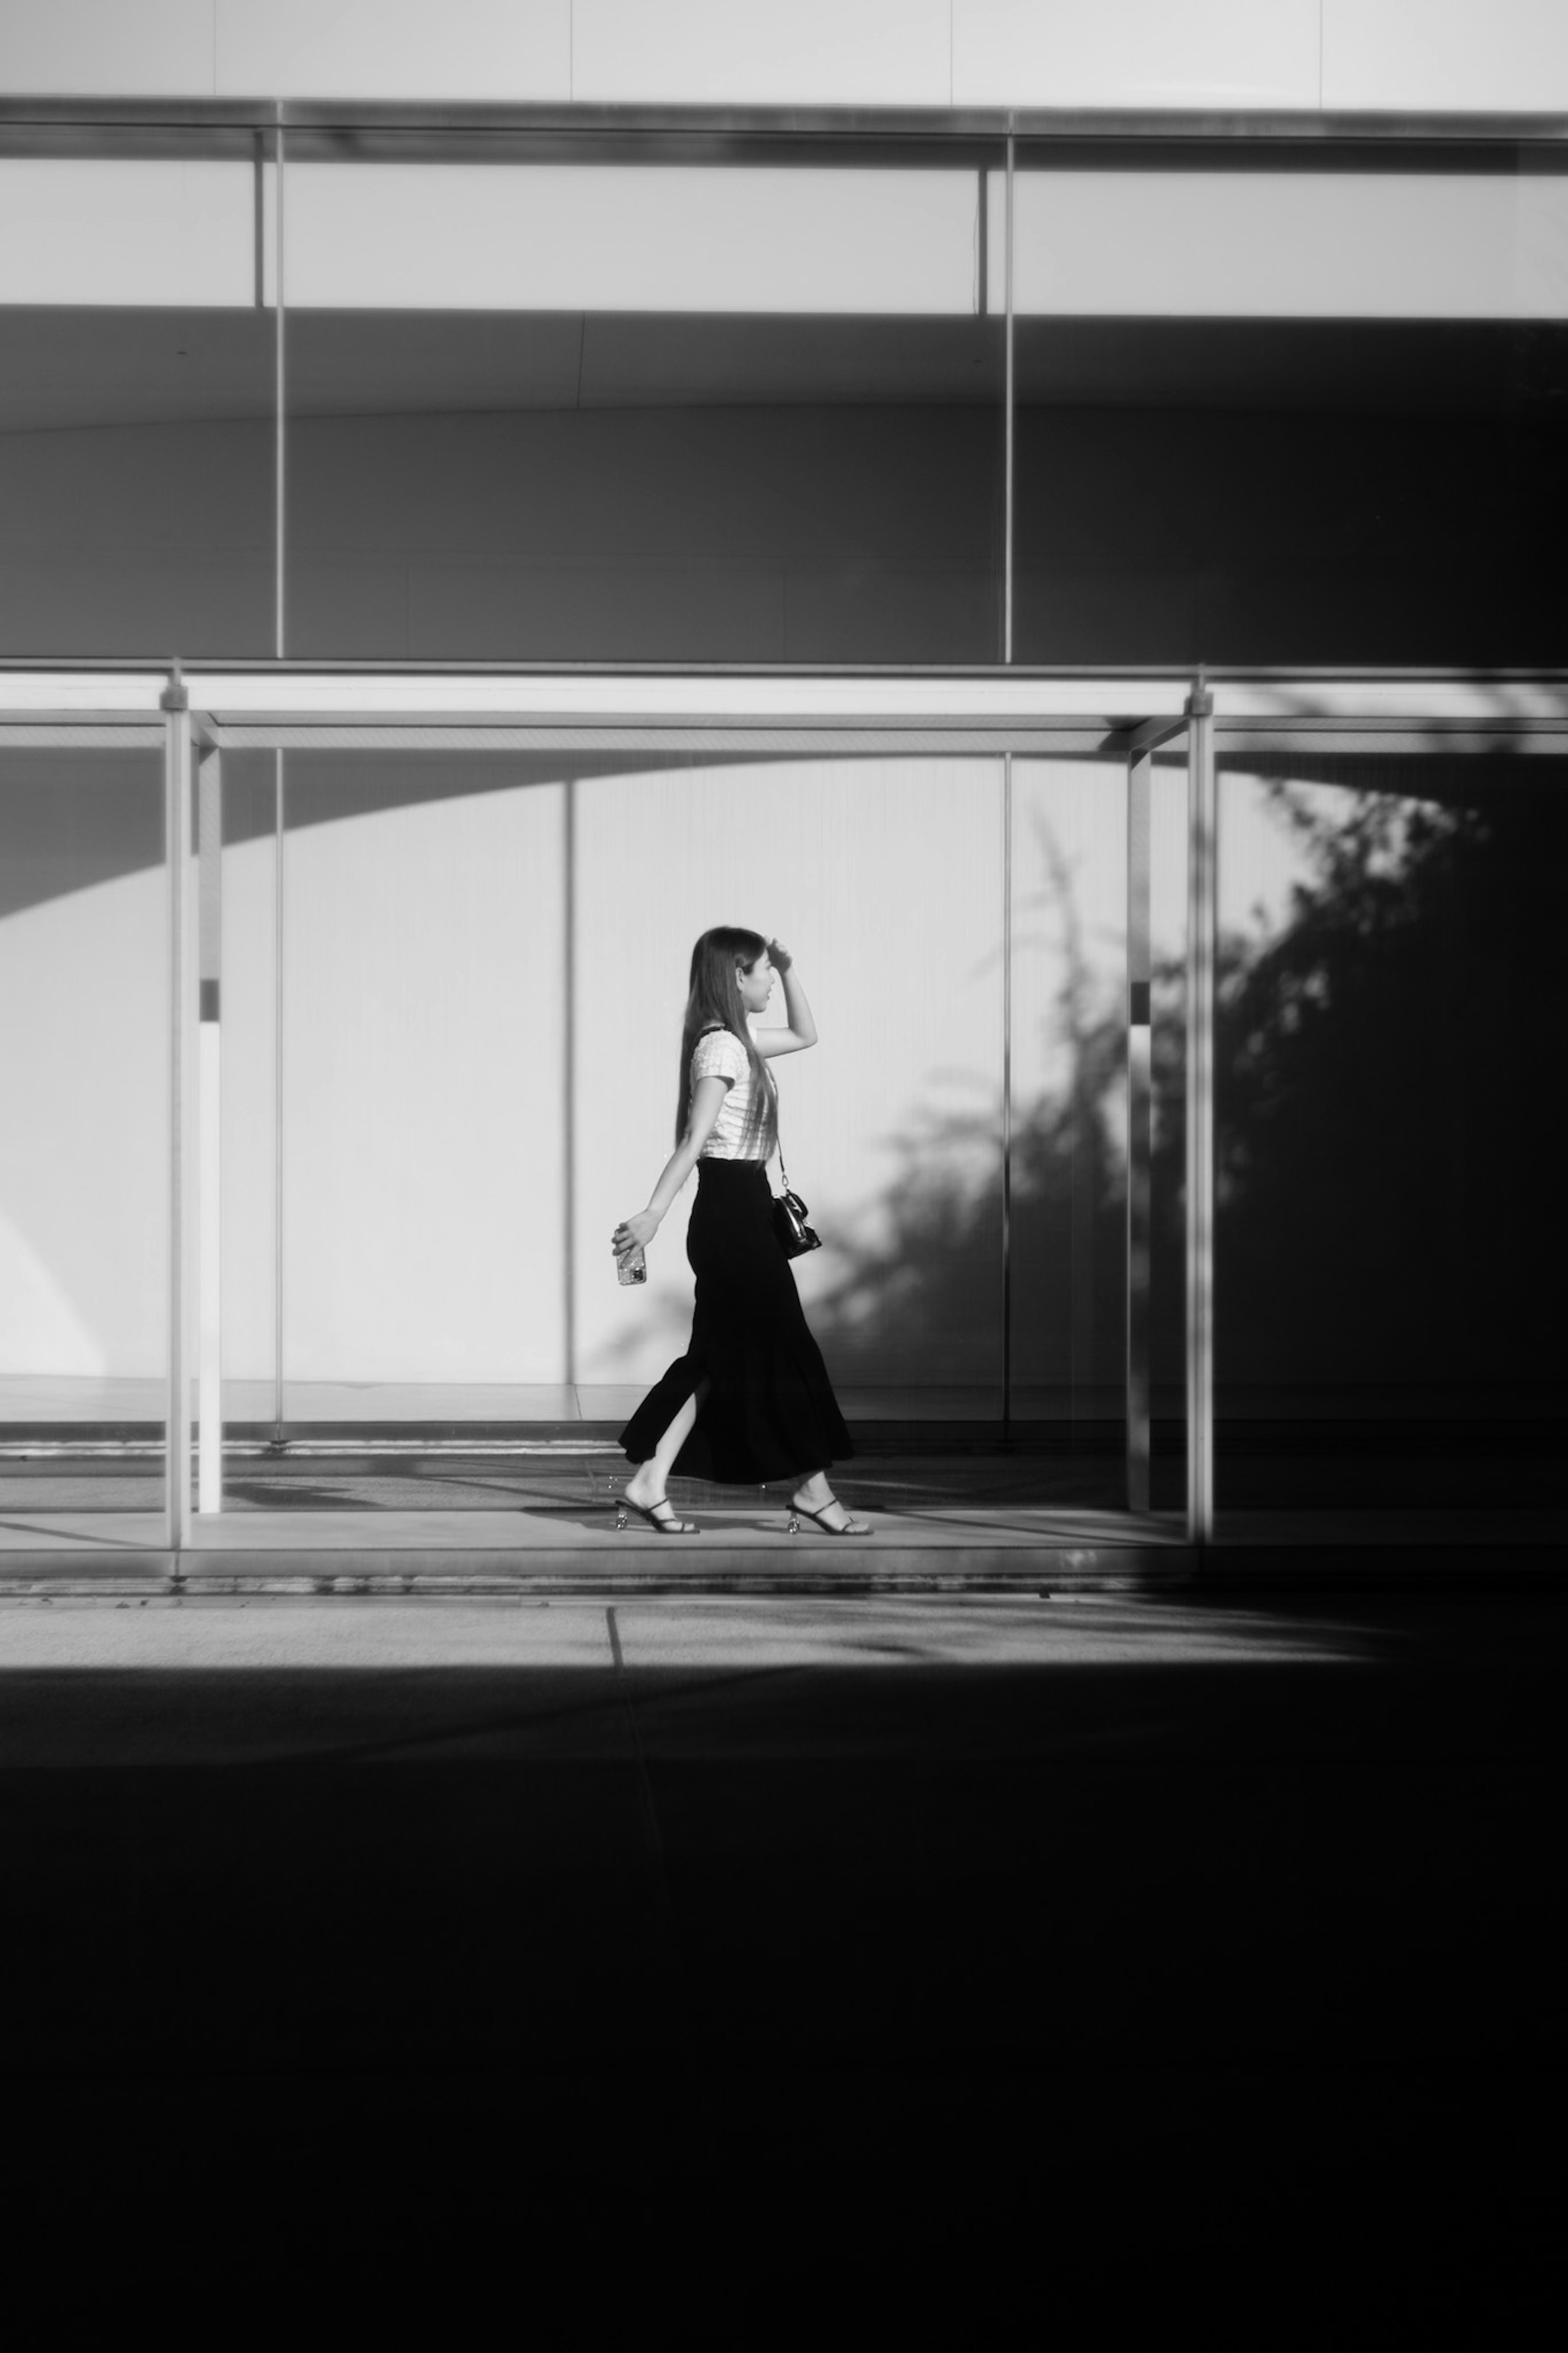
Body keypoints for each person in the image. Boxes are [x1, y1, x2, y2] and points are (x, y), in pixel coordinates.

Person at [612, 928, 869, 1537]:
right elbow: (694, 1142)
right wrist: (653, 1213)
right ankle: (813, 1491)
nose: (771, 981)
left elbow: (808, 1035)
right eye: (762, 972)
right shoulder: (723, 1050)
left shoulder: (738, 1040)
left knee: (717, 1361)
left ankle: (650, 1482)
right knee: (785, 1349)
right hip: (731, 1218)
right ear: (734, 976)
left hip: (744, 1210)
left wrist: (789, 964)